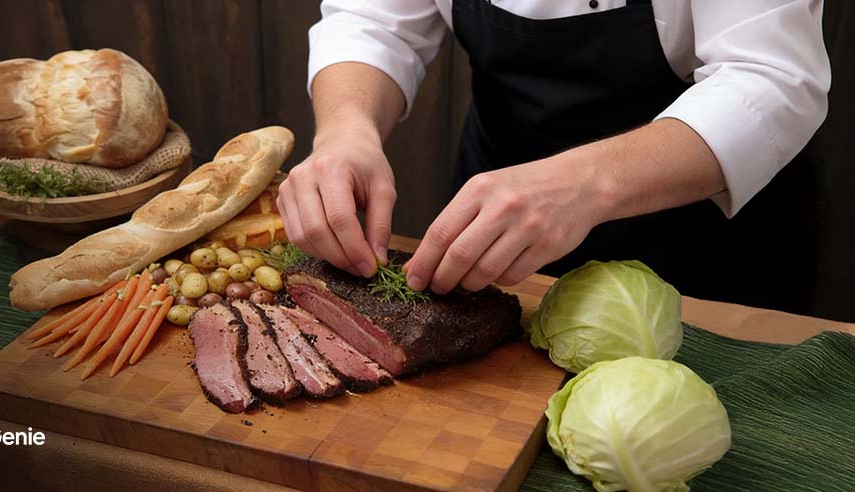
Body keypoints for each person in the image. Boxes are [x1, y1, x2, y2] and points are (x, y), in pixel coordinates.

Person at [277, 0, 830, 310]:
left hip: (703, 238)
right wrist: (347, 131)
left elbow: (771, 80)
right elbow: (372, 21)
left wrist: (583, 183)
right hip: (491, 210)